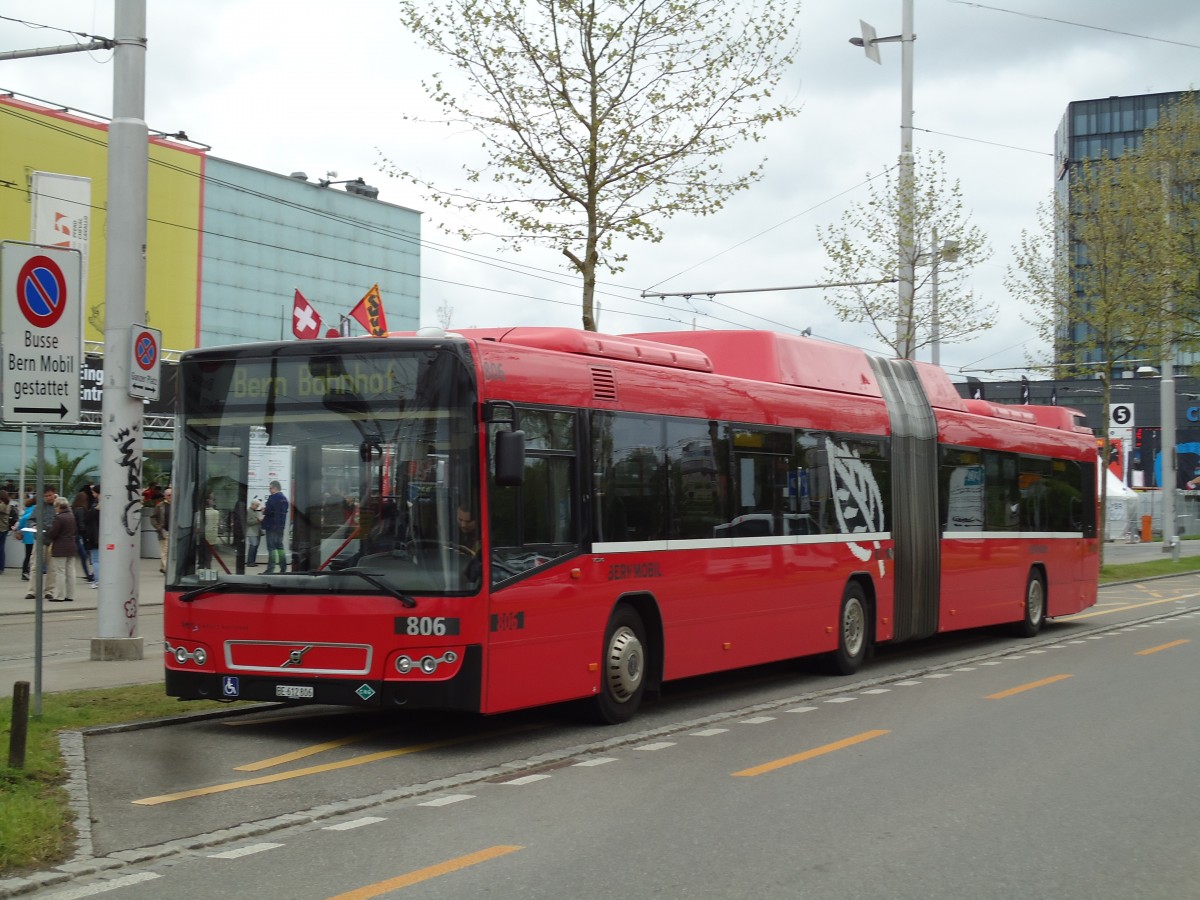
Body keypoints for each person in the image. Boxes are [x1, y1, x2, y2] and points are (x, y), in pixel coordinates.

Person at [44, 496, 77, 602]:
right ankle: (70, 595)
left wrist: (48, 530)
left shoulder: (59, 518)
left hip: (60, 547)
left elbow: (53, 533)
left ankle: (60, 596)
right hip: (71, 546)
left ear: (59, 506)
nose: (55, 509)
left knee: (60, 572)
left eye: (55, 507)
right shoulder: (71, 516)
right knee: (70, 571)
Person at [262, 480, 289, 574]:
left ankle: (270, 569)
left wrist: (264, 511)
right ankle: (283, 568)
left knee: (271, 548)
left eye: (270, 488)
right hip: (280, 527)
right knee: (280, 547)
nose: (269, 490)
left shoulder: (273, 498)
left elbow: (269, 511)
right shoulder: (284, 499)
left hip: (271, 526)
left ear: (275, 488)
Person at [71, 486, 95, 582]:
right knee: (85, 555)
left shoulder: (74, 508)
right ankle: (88, 574)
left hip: (76, 534)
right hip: (80, 535)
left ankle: (88, 574)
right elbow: (81, 524)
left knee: (84, 555)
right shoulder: (81, 509)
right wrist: (86, 535)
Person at [151, 487, 172, 574]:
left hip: (174, 531)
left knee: (170, 551)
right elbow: (153, 517)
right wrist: (158, 527)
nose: (171, 496)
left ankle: (163, 567)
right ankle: (167, 570)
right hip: (164, 531)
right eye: (169, 495)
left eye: (172, 495)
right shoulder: (160, 506)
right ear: (165, 496)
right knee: (165, 551)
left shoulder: (177, 505)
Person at [84, 485, 101, 588]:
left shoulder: (95, 506)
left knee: (95, 560)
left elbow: (88, 520)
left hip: (94, 536)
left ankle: (97, 580)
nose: (93, 494)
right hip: (102, 536)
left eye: (94, 492)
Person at [18, 498, 36, 590]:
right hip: (32, 536)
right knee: (31, 556)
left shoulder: (28, 509)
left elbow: (23, 519)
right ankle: (26, 572)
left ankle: (25, 571)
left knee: (28, 555)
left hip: (27, 536)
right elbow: (26, 518)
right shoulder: (35, 509)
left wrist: (19, 529)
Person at [245, 499, 264, 566]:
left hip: (257, 531)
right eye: (257, 505)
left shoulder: (256, 511)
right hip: (251, 532)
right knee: (253, 546)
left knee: (255, 548)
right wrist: (257, 520)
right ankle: (250, 562)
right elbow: (248, 522)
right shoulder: (248, 511)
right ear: (253, 504)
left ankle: (252, 561)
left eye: (258, 505)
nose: (257, 507)